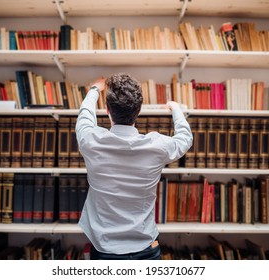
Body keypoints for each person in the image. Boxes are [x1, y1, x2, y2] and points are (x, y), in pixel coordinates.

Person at [75, 73, 193, 260]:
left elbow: (85, 116)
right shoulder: (157, 146)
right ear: (138, 111)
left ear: (107, 109)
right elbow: (185, 139)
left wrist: (95, 90)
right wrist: (176, 109)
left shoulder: (90, 140)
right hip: (147, 250)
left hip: (105, 252)